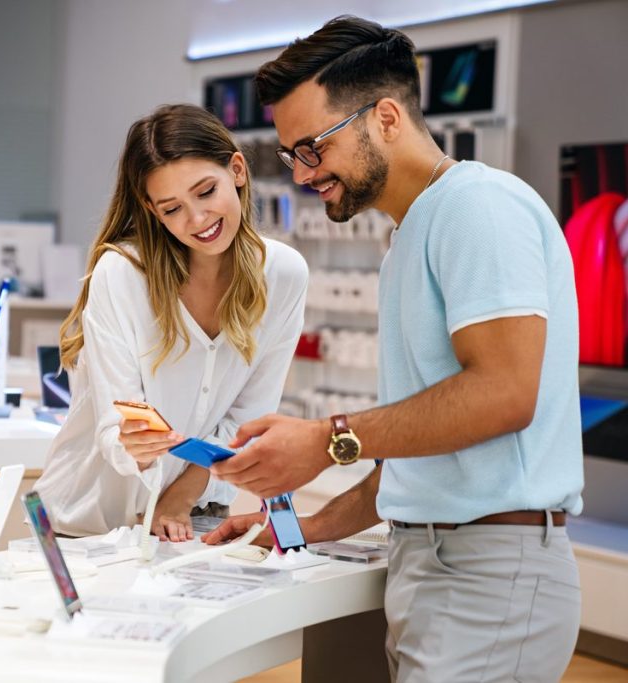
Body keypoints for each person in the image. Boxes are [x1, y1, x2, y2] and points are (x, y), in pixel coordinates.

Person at [204, 16, 583, 683]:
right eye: (292, 154)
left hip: (491, 566)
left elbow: (504, 392)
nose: (301, 175)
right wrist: (303, 527)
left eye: (313, 148)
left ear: (385, 116)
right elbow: (418, 455)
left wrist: (325, 439)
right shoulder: (410, 237)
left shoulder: (478, 207)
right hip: (434, 561)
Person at [33, 104, 308, 540]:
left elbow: (250, 418)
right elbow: (114, 430)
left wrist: (181, 495)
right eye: (172, 208)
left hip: (195, 517)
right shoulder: (122, 273)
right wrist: (136, 445)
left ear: (237, 170)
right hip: (89, 525)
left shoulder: (284, 275)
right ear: (151, 209)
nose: (197, 220)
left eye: (205, 192)